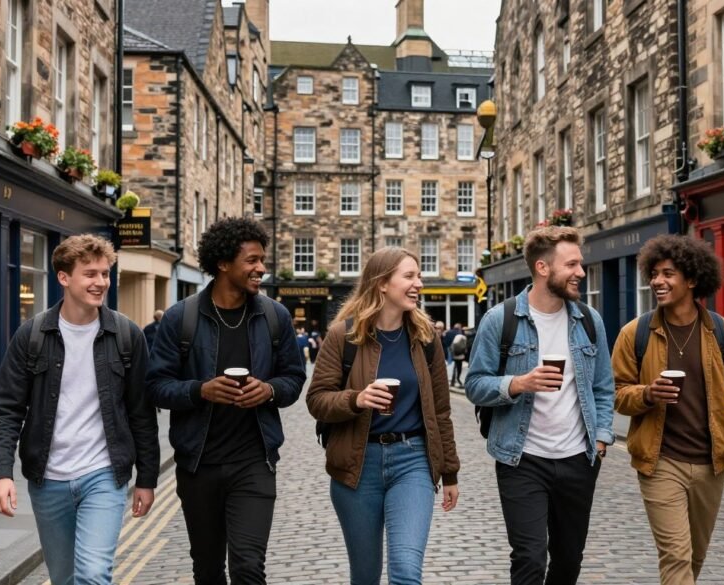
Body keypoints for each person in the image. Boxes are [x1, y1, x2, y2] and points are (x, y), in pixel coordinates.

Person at [0, 234, 159, 584]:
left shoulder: (126, 335)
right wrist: (0, 472)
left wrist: (147, 478)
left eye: (105, 274)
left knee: (94, 573)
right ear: (64, 278)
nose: (100, 283)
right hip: (48, 477)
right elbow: (5, 409)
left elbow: (142, 413)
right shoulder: (32, 335)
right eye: (90, 274)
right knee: (63, 577)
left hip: (104, 474)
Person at [147, 218, 306, 584]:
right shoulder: (180, 318)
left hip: (254, 461)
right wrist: (200, 390)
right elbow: (156, 385)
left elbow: (294, 379)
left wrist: (268, 390)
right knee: (207, 569)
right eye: (251, 260)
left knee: (249, 567)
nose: (261, 268)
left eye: (262, 260)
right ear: (222, 263)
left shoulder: (274, 317)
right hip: (198, 464)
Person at [611, 234, 724, 584]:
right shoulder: (634, 334)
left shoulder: (723, 333)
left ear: (693, 280)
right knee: (676, 556)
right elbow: (615, 393)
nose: (657, 281)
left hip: (710, 465)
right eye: (654, 273)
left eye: (668, 273)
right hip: (660, 462)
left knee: (695, 556)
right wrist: (647, 394)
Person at [465, 226, 614, 585]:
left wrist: (601, 438)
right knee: (530, 559)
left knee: (568, 561)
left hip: (578, 459)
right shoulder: (500, 319)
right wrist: (517, 384)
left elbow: (603, 387)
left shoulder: (589, 321)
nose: (581, 271)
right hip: (522, 460)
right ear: (544, 268)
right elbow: (474, 384)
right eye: (573, 264)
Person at [307, 246, 460, 585]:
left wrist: (449, 472)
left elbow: (440, 410)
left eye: (419, 276)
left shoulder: (425, 338)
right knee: (365, 576)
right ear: (382, 284)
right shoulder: (342, 335)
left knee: (406, 571)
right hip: (357, 467)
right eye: (409, 276)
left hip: (413, 461)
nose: (418, 283)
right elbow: (317, 400)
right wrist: (356, 398)